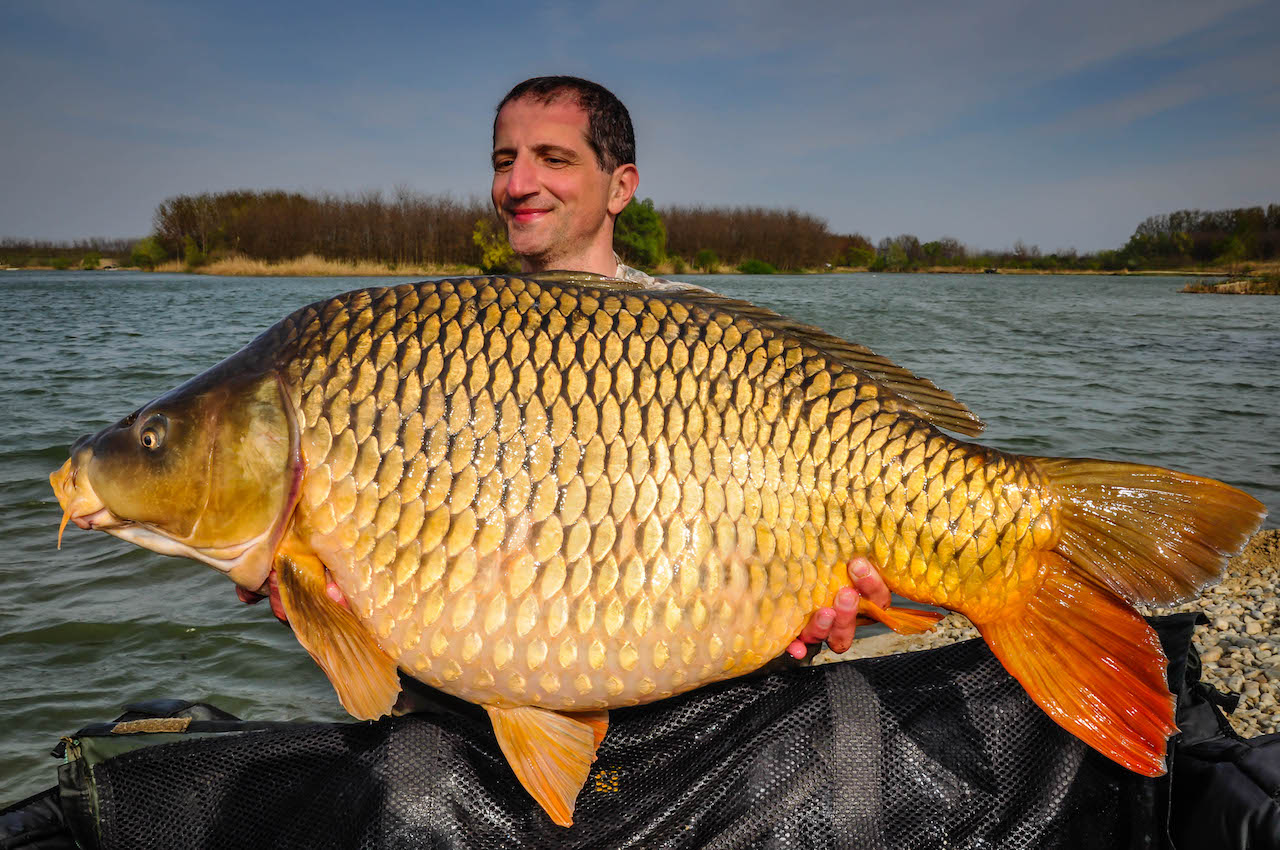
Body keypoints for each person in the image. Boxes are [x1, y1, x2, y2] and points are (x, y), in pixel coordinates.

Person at [239, 75, 892, 662]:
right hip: (498, 670)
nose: (518, 184)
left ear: (621, 187)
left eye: (554, 159)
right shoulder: (438, 339)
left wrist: (800, 603)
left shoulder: (705, 337)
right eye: (504, 161)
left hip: (669, 662)